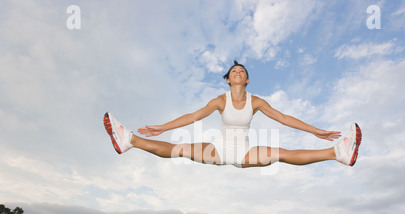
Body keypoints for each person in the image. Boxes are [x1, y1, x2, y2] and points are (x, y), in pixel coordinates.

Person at [103, 61, 361, 168]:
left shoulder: (257, 101)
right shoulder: (219, 100)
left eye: (242, 71)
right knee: (178, 149)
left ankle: (339, 153)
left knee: (283, 154)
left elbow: (284, 118)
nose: (237, 72)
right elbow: (193, 116)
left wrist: (315, 130)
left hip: (245, 153)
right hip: (218, 149)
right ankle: (129, 141)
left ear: (247, 79)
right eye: (233, 71)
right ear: (228, 80)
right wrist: (163, 126)